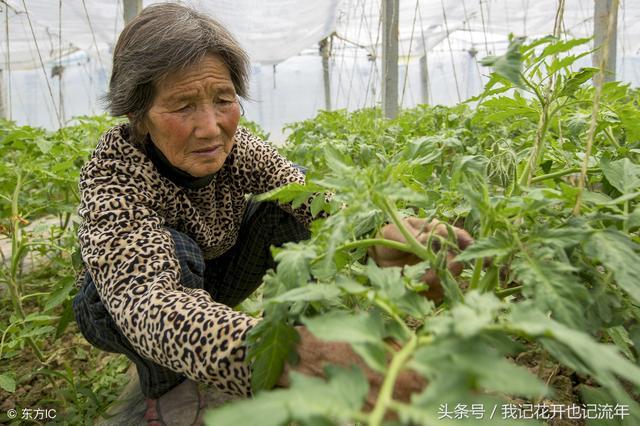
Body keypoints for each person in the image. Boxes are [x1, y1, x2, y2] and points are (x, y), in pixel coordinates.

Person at [72, 3, 471, 425]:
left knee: (291, 198)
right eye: (183, 106)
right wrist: (273, 353)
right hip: (121, 308)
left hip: (216, 273)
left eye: (223, 99)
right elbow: (149, 306)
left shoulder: (238, 147)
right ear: (138, 115)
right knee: (175, 252)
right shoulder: (114, 175)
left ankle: (303, 329)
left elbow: (314, 202)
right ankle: (167, 386)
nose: (210, 127)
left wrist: (380, 239)